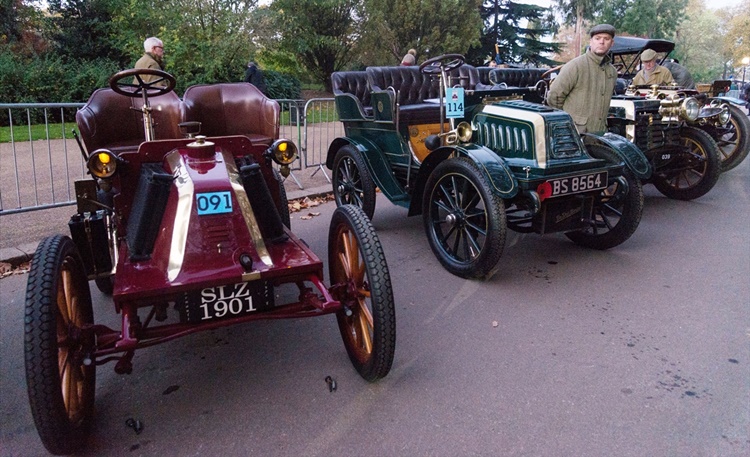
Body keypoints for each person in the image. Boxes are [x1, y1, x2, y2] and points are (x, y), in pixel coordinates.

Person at [547, 24, 618, 135]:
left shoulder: (612, 72)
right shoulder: (575, 66)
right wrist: (565, 125)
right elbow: (554, 97)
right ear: (591, 42)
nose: (602, 42)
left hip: (600, 134)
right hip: (574, 134)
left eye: (606, 39)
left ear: (612, 43)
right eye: (597, 38)